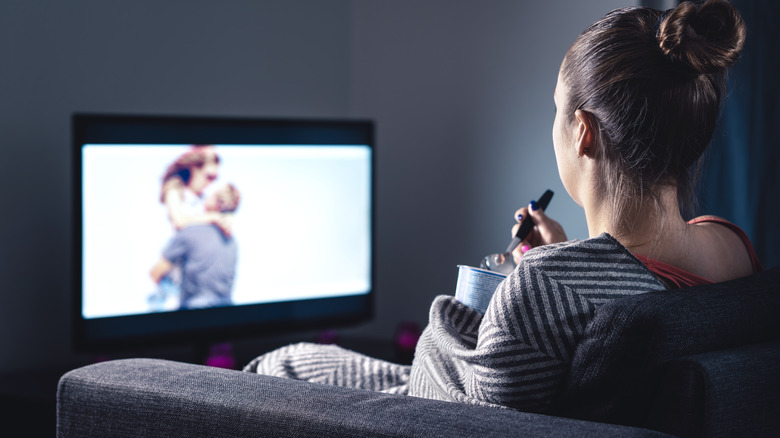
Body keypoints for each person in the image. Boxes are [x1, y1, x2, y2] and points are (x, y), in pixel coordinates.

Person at [243, 0, 761, 413]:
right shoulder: (731, 245)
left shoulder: (548, 287)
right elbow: (637, 279)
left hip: (420, 406)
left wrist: (506, 283)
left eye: (556, 111)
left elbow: (447, 400)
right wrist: (562, 257)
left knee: (281, 364)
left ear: (582, 133)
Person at [150, 183, 241, 310]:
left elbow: (155, 272)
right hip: (226, 314)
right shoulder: (232, 243)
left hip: (193, 315)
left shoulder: (191, 232)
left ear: (215, 201)